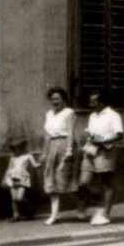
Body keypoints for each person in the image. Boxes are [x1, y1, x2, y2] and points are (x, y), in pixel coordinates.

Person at [81, 90, 124, 225]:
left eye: (93, 101)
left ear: (102, 102)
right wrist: (90, 137)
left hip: (105, 151)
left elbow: (119, 135)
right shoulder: (92, 115)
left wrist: (103, 141)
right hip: (90, 149)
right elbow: (91, 132)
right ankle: (98, 207)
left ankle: (105, 213)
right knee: (83, 181)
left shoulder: (113, 115)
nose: (90, 104)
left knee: (107, 183)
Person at [41, 88, 79, 225]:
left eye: (57, 98)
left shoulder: (69, 113)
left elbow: (70, 133)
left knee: (66, 180)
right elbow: (47, 135)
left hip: (65, 146)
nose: (55, 101)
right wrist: (44, 153)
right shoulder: (49, 114)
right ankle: (54, 214)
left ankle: (82, 206)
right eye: (52, 99)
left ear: (64, 99)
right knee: (51, 181)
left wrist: (69, 151)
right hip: (52, 147)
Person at [1, 138, 38, 221]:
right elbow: (9, 168)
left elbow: (35, 164)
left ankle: (29, 209)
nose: (15, 151)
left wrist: (41, 162)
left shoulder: (28, 156)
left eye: (17, 148)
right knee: (14, 198)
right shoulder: (12, 158)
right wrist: (4, 178)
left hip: (23, 177)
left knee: (20, 198)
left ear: (22, 148)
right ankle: (16, 215)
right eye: (13, 149)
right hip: (12, 177)